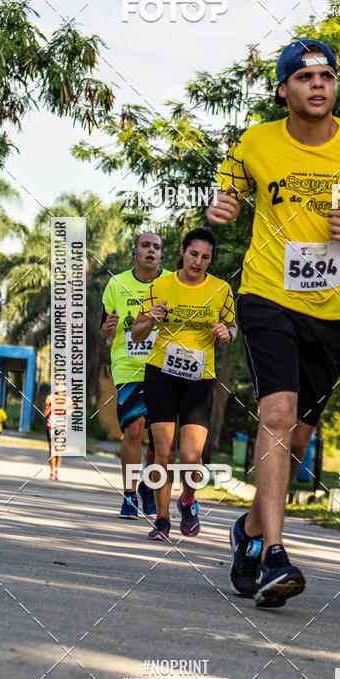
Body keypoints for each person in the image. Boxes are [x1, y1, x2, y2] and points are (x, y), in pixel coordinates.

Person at [207, 38, 340, 608]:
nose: (318, 84)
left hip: (333, 309)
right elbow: (229, 195)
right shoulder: (255, 143)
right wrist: (222, 209)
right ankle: (274, 554)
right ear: (283, 89)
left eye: (327, 76)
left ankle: (246, 530)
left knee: (296, 440)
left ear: (335, 86)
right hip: (267, 293)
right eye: (304, 76)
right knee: (277, 411)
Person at [131, 227, 237, 541]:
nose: (198, 262)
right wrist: (151, 318)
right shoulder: (161, 285)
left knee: (192, 456)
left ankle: (188, 500)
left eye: (206, 257)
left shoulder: (221, 289)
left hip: (198, 380)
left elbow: (232, 330)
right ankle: (162, 520)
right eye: (194, 254)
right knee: (164, 451)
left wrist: (225, 333)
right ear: (181, 251)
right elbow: (137, 332)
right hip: (161, 374)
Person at [101, 232, 169, 518]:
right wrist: (107, 329)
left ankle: (147, 487)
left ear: (161, 256)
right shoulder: (116, 284)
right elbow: (106, 325)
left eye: (156, 247)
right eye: (145, 246)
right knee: (134, 428)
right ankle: (129, 496)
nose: (150, 251)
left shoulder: (172, 283)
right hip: (128, 366)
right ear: (135, 252)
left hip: (165, 366)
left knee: (159, 437)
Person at [43, 392, 74, 479]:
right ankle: (52, 471)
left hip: (61, 427)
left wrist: (67, 411)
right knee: (52, 450)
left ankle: (57, 470)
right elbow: (44, 414)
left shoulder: (68, 399)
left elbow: (72, 410)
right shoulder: (50, 398)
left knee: (58, 449)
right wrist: (50, 407)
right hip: (51, 426)